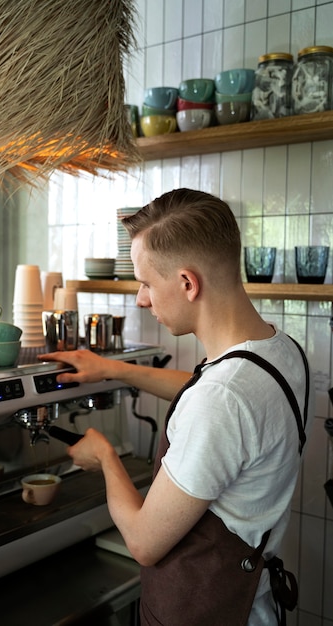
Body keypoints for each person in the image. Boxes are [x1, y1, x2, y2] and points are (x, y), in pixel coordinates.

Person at [38, 188, 314, 626]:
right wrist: (114, 369)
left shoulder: (221, 400)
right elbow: (212, 396)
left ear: (187, 283)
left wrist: (105, 456)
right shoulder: (280, 352)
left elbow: (144, 542)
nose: (141, 300)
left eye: (146, 283)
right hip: (254, 605)